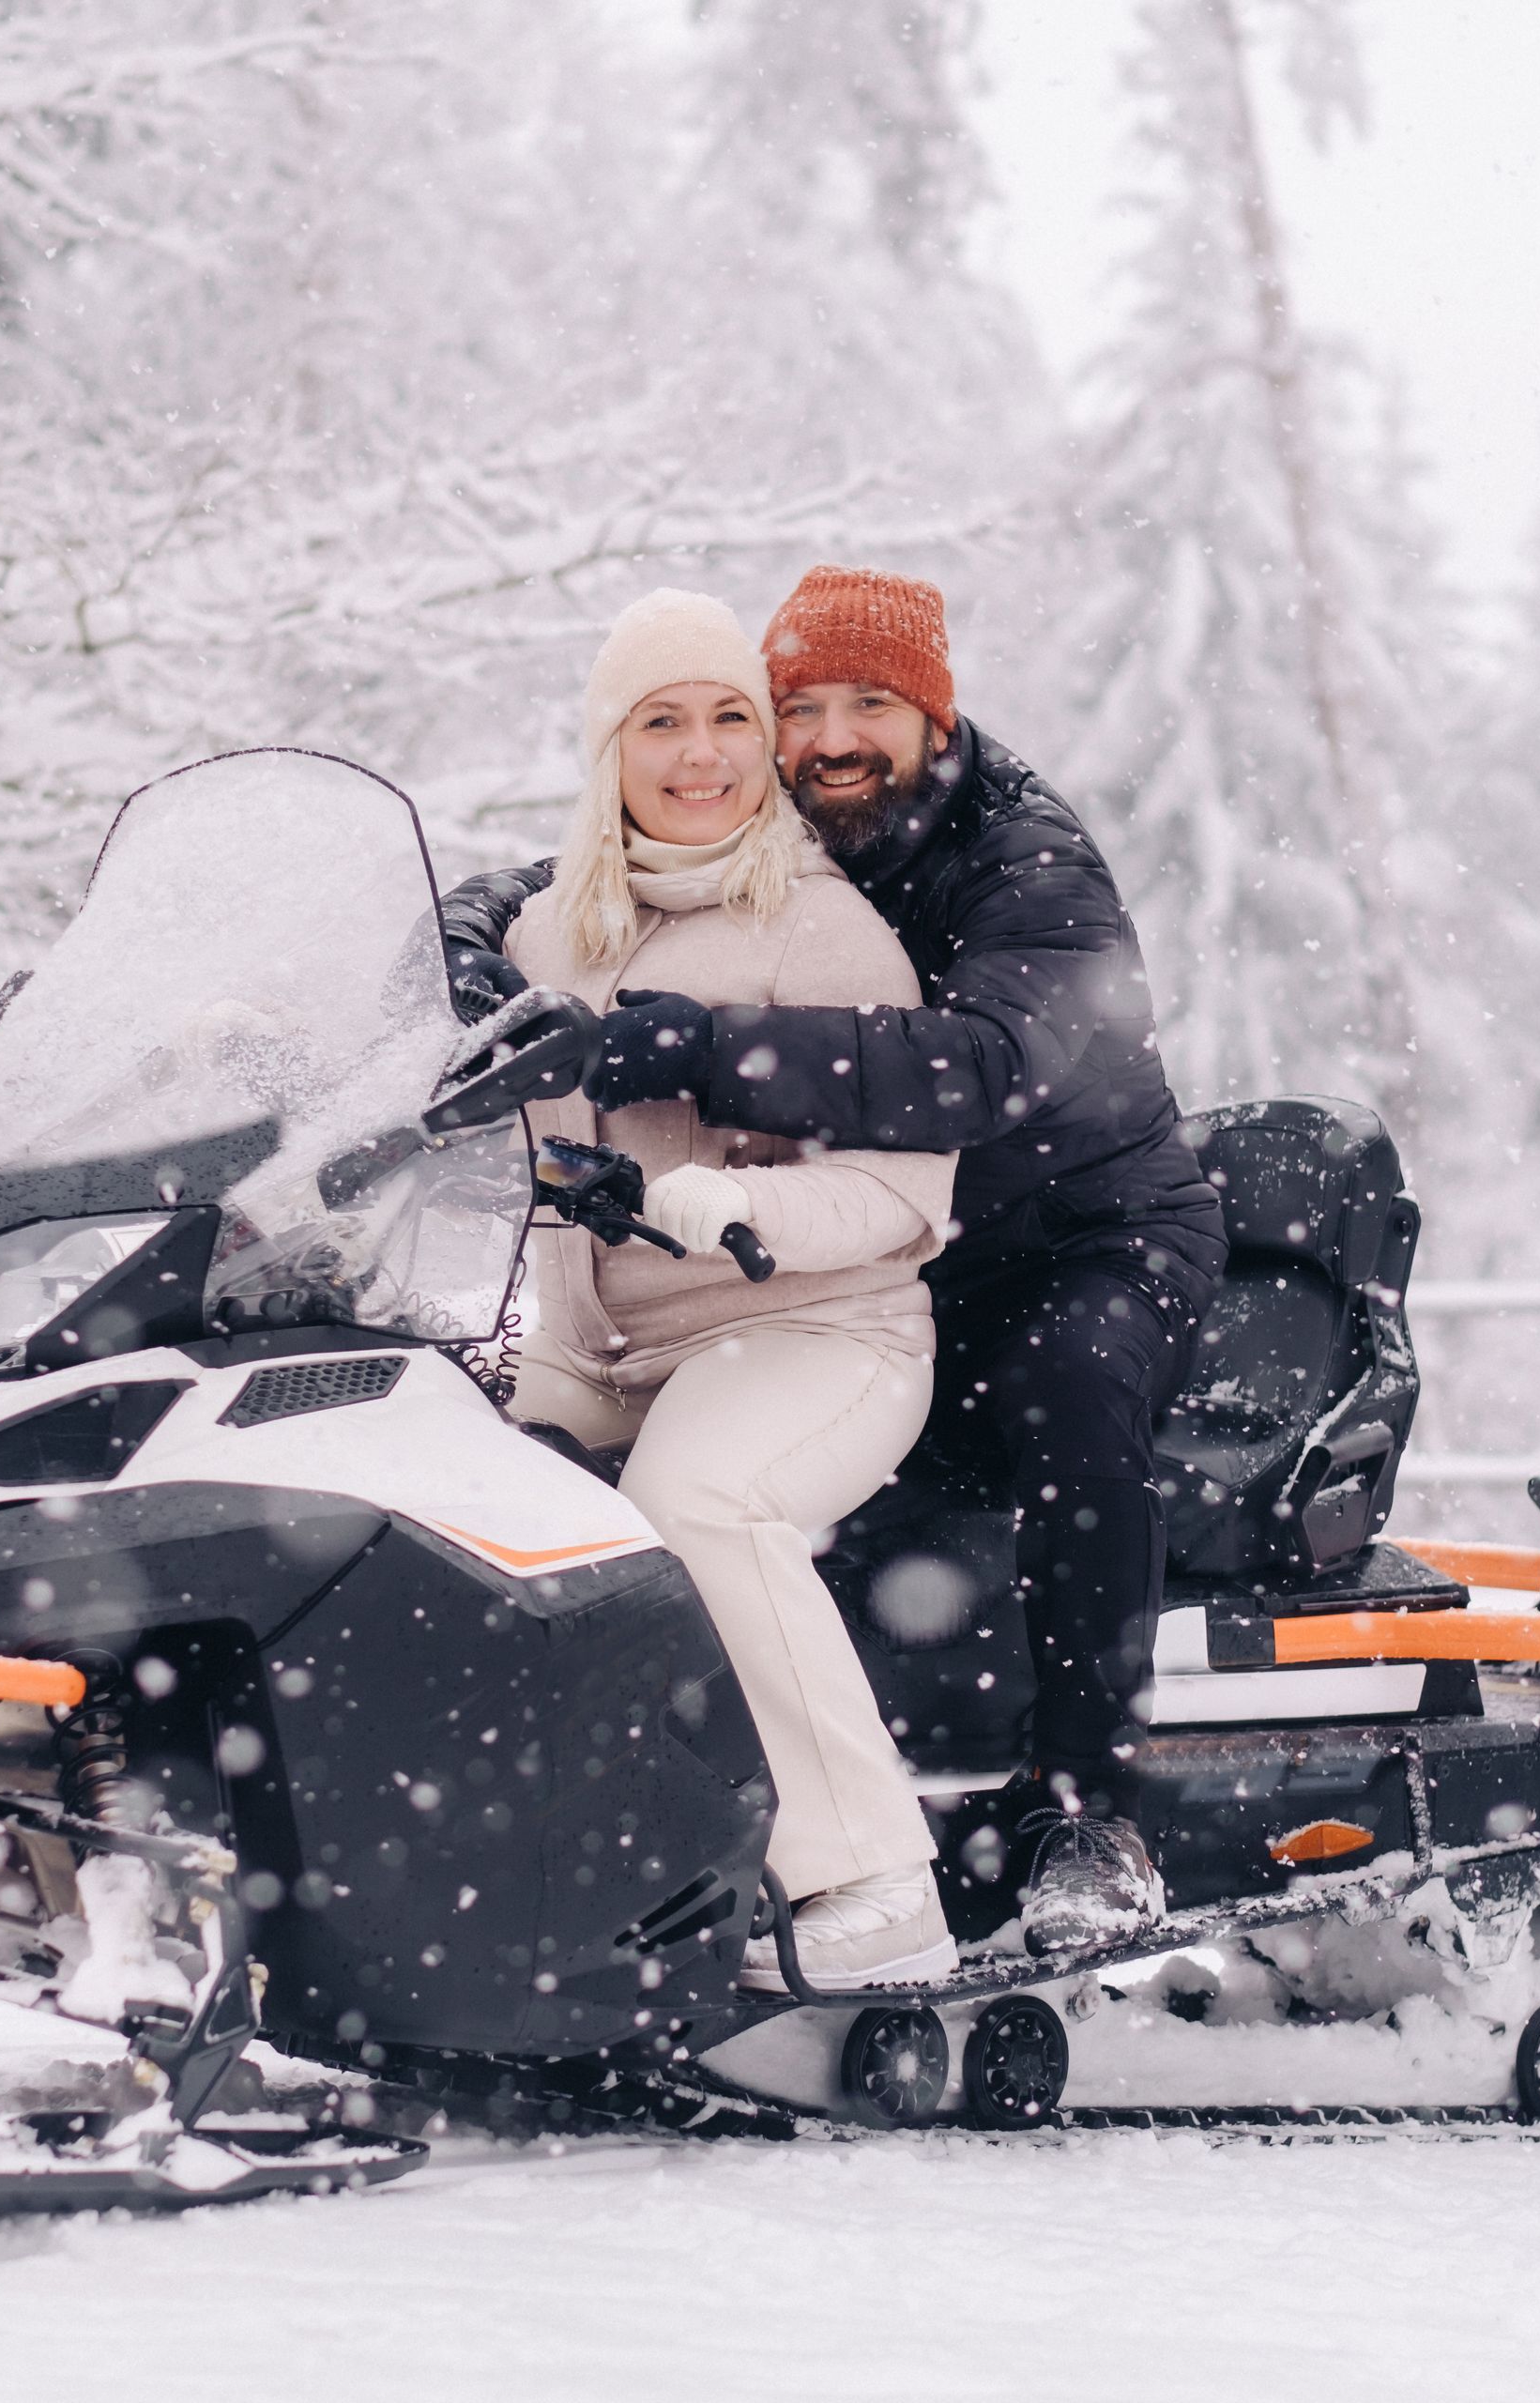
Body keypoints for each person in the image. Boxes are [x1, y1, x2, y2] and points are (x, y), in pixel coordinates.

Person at [442, 566, 1225, 1951]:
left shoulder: (1025, 858)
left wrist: (682, 1045)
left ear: (936, 712)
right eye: (798, 706)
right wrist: (464, 930)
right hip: (868, 1251)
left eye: (873, 702)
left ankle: (1091, 1815)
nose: (830, 735)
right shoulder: (784, 799)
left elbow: (987, 1068)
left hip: (1081, 1231)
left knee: (1071, 1400)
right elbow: (618, 840)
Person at [500, 588, 960, 1991]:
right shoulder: (552, 932)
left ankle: (876, 1883)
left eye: (727, 723)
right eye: (660, 723)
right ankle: (542, 1879)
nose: (698, 756)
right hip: (602, 1341)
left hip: (820, 1330)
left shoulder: (821, 932)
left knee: (696, 1500)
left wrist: (743, 1200)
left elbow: (907, 1193)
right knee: (438, 1513)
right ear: (608, 749)